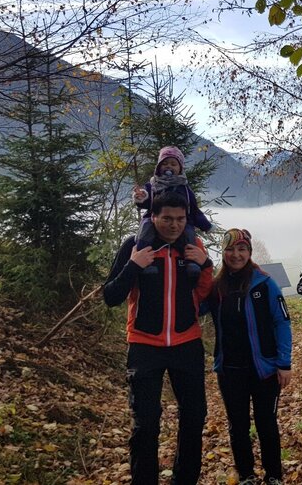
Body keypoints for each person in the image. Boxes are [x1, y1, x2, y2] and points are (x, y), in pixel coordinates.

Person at [103, 191, 214, 485]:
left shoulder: (193, 246)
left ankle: (184, 480)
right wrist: (133, 265)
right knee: (146, 423)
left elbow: (208, 296)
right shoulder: (135, 246)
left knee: (194, 418)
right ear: (153, 216)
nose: (174, 225)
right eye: (167, 218)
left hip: (187, 343)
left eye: (180, 219)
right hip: (144, 345)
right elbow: (111, 296)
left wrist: (205, 265)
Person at [201, 229, 292, 485]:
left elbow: (282, 322)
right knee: (237, 425)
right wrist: (196, 271)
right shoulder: (216, 287)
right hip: (229, 369)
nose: (236, 255)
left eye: (242, 249)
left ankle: (274, 475)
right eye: (230, 249)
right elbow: (195, 309)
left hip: (264, 369)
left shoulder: (264, 283)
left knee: (266, 423)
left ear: (249, 252)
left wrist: (284, 363)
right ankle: (246, 475)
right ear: (223, 252)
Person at [133, 146, 213, 278]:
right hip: (154, 219)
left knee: (189, 234)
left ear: (180, 168)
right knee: (145, 231)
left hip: (183, 219)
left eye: (173, 164)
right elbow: (145, 201)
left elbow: (194, 210)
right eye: (165, 163)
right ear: (158, 167)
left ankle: (191, 262)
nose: (168, 166)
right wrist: (141, 197)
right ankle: (144, 261)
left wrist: (206, 226)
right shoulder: (153, 185)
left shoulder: (185, 189)